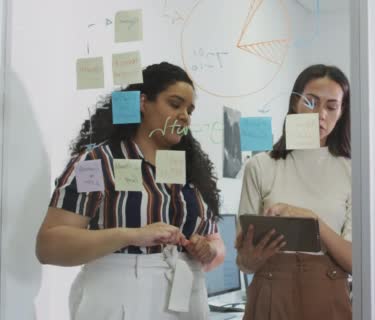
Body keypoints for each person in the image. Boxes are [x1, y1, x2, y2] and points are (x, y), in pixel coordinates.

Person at [35, 62, 225, 320]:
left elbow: (215, 244)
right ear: (143, 102)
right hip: (120, 298)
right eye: (175, 104)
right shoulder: (97, 163)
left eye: (190, 110)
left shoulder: (191, 173)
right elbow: (49, 246)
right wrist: (131, 235)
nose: (185, 116)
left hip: (187, 298)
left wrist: (208, 250)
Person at [235, 64, 352, 320]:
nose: (320, 114)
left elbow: (355, 261)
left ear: (342, 112)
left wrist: (313, 222)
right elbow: (243, 264)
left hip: (328, 293)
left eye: (331, 107)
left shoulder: (353, 171)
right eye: (311, 102)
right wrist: (251, 257)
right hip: (269, 290)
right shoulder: (260, 166)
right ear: (294, 103)